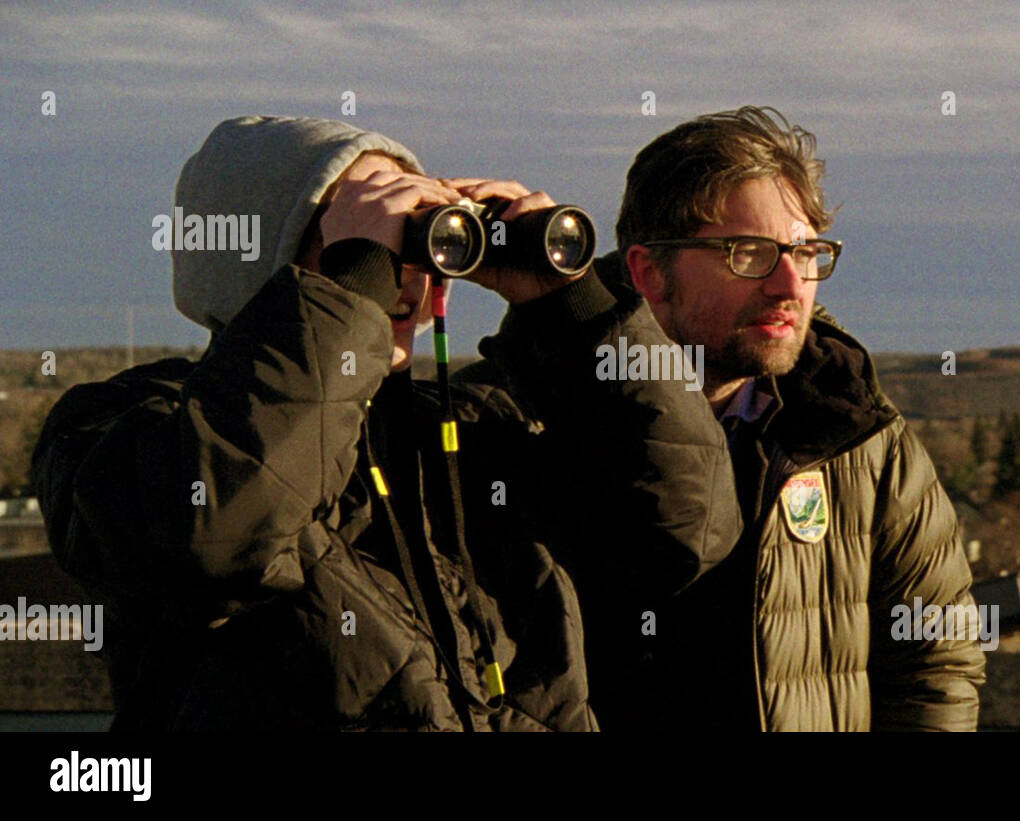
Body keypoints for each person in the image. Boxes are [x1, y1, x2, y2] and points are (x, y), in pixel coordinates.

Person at [30, 115, 740, 731]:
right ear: (255, 259)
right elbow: (219, 527)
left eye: (418, 236)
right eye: (362, 235)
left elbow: (687, 525)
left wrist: (573, 308)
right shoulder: (126, 427)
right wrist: (349, 289)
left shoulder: (469, 432)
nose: (405, 271)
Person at [588, 105, 987, 731]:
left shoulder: (860, 439)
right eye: (746, 253)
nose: (789, 284)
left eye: (805, 252)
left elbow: (935, 663)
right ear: (648, 272)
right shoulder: (542, 423)